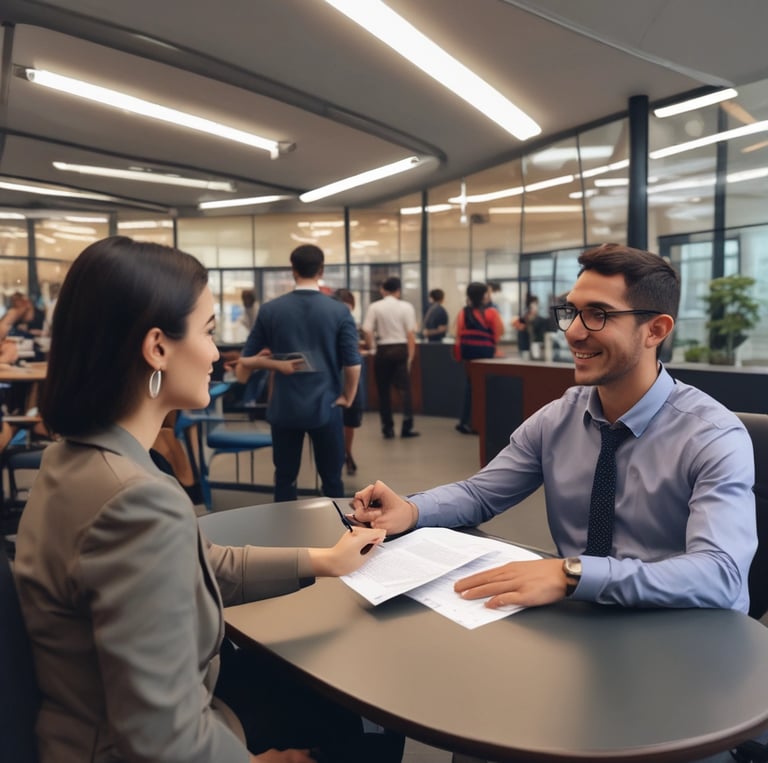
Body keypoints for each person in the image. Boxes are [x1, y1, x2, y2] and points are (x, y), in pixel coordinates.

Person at [12, 236, 402, 763]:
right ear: (157, 348)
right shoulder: (136, 499)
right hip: (130, 742)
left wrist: (325, 561)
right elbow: (165, 738)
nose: (218, 353)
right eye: (209, 332)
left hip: (90, 718)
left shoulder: (73, 460)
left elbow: (197, 564)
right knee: (370, 726)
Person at [350, 243, 757, 614]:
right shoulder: (559, 417)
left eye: (598, 314)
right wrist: (413, 510)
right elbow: (480, 494)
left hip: (690, 638)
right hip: (584, 621)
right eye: (571, 312)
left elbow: (720, 574)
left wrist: (572, 574)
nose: (575, 332)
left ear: (655, 330)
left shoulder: (712, 436)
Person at [235, 245, 361, 501]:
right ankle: (337, 532)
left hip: (284, 407)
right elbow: (353, 364)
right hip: (327, 406)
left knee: (284, 478)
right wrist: (347, 397)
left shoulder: (271, 310)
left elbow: (245, 360)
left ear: (293, 270)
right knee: (332, 481)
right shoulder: (339, 312)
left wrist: (275, 364)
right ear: (321, 270)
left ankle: (283, 535)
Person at [362, 276, 419, 439]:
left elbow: (367, 329)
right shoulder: (407, 307)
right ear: (398, 291)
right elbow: (410, 334)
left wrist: (372, 346)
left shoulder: (375, 306)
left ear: (383, 290)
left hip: (383, 349)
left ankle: (387, 428)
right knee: (405, 390)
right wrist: (410, 356)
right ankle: (407, 427)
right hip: (401, 349)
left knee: (383, 390)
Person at [454, 282, 504, 434]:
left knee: (470, 387)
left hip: (468, 355)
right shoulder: (491, 313)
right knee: (485, 389)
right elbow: (499, 332)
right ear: (484, 295)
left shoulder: (463, 313)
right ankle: (482, 423)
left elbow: (458, 333)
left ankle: (465, 421)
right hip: (485, 355)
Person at [333, 288, 368, 476]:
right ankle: (344, 454)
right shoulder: (341, 320)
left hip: (345, 373)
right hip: (342, 373)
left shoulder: (343, 320)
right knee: (344, 417)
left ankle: (346, 453)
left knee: (348, 419)